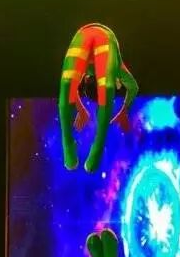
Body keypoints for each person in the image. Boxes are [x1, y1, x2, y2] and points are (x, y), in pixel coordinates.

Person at [58, 23, 138, 172]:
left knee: (69, 84)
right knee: (102, 88)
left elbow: (70, 89)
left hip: (85, 37)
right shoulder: (115, 70)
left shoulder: (103, 71)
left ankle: (73, 145)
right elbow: (133, 87)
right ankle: (93, 147)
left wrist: (81, 108)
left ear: (87, 79)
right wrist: (124, 111)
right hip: (102, 38)